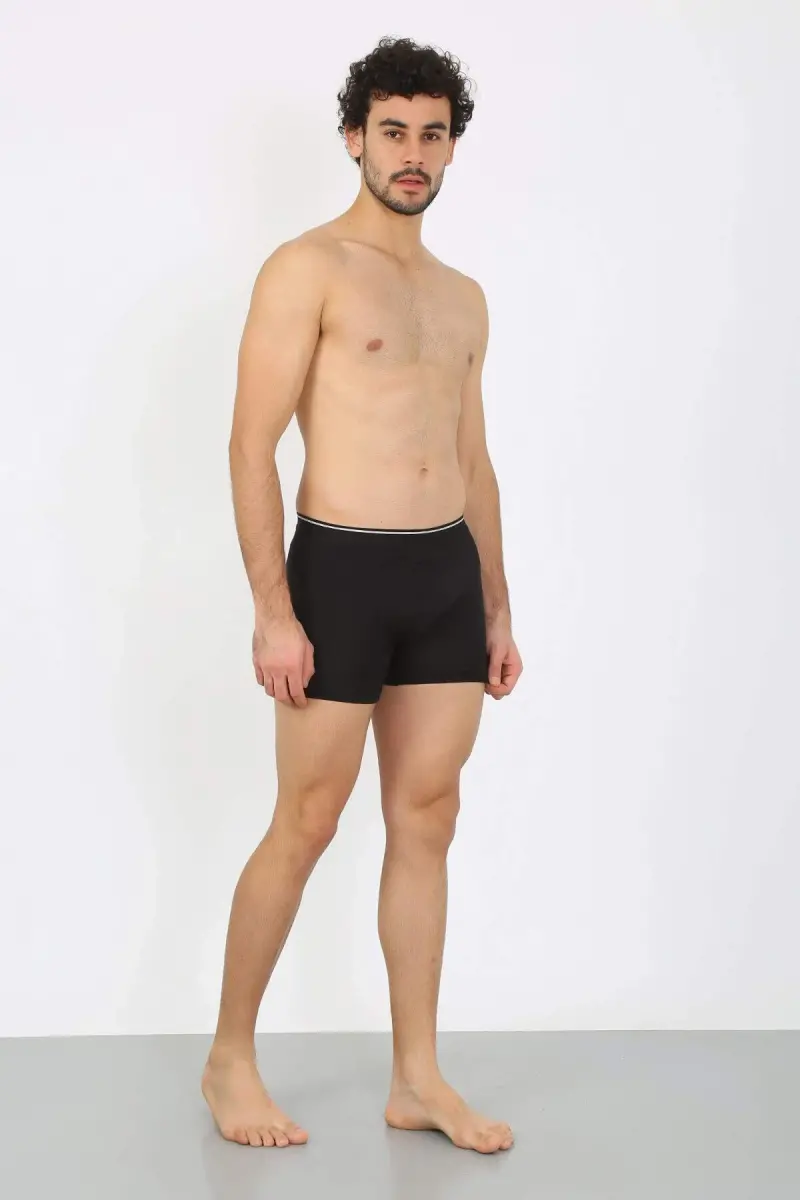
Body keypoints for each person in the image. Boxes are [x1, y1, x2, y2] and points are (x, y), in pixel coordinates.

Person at [201, 35, 523, 1154]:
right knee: (306, 820)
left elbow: (473, 460)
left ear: (452, 147)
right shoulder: (308, 269)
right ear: (354, 138)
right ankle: (229, 1058)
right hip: (338, 573)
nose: (412, 152)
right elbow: (250, 446)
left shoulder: (463, 298)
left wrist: (495, 604)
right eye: (392, 131)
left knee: (427, 819)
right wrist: (272, 610)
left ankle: (416, 1078)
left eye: (432, 133)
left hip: (443, 578)